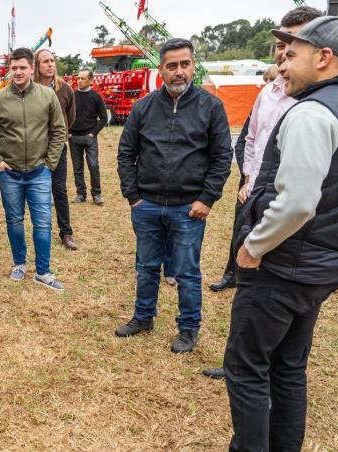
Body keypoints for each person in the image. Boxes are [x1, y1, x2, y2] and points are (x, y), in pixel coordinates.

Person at [225, 17, 338, 450]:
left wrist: (254, 246)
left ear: (324, 57)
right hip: (323, 266)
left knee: (247, 367)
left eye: (291, 55)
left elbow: (297, 203)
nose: (282, 64)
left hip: (282, 268)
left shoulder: (312, 113)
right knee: (288, 367)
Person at [115, 38, 232, 353]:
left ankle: (189, 328)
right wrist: (134, 197)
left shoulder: (211, 107)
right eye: (172, 66)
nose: (179, 72)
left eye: (185, 64)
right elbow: (126, 154)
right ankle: (143, 317)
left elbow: (222, 158)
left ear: (193, 65)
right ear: (161, 69)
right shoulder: (143, 107)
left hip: (188, 209)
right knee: (147, 266)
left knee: (187, 272)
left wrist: (207, 198)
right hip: (147, 205)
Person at [208, 6, 319, 293]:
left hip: (289, 202)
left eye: (296, 42)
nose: (286, 51)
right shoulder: (266, 94)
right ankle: (233, 274)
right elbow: (252, 138)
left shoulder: (318, 101)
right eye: (282, 44)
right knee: (242, 238)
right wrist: (247, 180)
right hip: (253, 190)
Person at [0, 47, 68, 291]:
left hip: (38, 172)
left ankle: (43, 271)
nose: (18, 72)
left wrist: (49, 164)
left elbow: (58, 131)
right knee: (14, 220)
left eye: (23, 67)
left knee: (42, 222)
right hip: (9, 173)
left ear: (32, 68)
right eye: (14, 68)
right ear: (9, 69)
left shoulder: (47, 96)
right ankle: (19, 263)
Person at [34, 49, 78, 251]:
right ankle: (41, 232)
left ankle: (66, 233)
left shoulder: (65, 89)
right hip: (35, 149)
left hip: (57, 148)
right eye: (45, 62)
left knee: (59, 190)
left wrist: (59, 137)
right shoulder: (30, 88)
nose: (50, 65)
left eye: (52, 61)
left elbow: (70, 117)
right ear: (37, 66)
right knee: (38, 191)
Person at [69, 69, 107, 205]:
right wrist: (68, 132)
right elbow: (66, 115)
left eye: (83, 78)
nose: (79, 81)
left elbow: (104, 118)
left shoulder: (96, 97)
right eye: (78, 78)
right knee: (77, 168)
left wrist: (93, 133)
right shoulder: (72, 96)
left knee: (93, 165)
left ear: (91, 80)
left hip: (89, 138)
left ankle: (97, 194)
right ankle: (81, 194)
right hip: (74, 138)